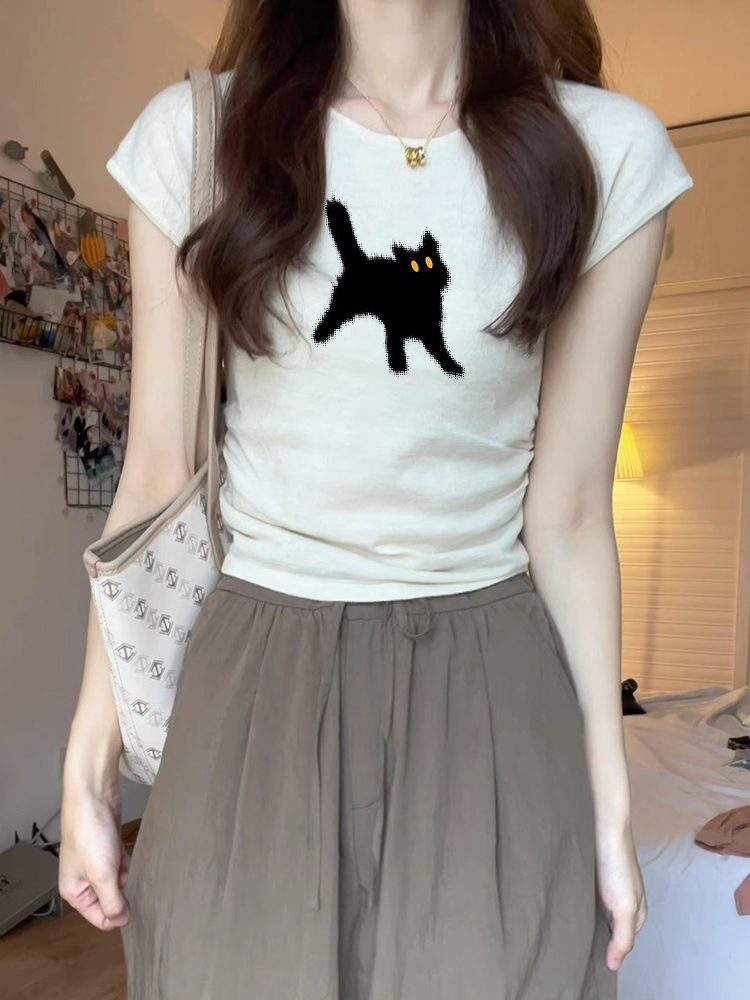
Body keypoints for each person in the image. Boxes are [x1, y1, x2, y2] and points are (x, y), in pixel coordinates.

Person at [59, 1, 693, 997]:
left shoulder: (604, 153)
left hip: (492, 688)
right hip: (255, 683)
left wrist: (611, 808)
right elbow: (157, 474)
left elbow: (569, 513)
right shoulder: (199, 137)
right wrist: (89, 761)